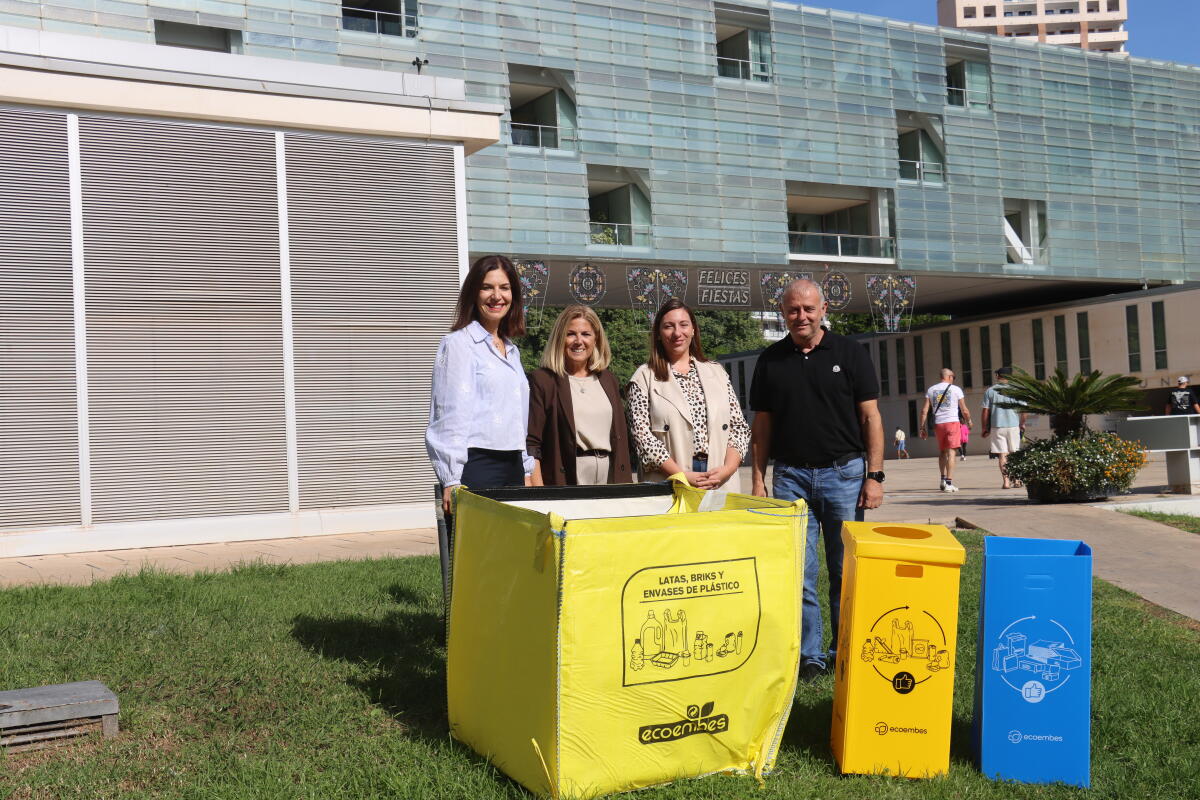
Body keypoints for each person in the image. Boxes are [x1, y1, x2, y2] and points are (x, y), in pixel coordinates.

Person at [749, 279, 884, 682]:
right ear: (783, 312)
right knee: (801, 572)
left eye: (809, 309)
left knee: (845, 570)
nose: (801, 316)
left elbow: (871, 417)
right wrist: (758, 479)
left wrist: (874, 477)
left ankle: (843, 649)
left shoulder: (850, 353)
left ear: (824, 308)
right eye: (793, 310)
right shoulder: (771, 360)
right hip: (790, 477)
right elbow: (762, 426)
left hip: (844, 474)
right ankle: (811, 655)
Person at [426, 254, 534, 515]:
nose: (496, 296)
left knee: (511, 552)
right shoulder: (459, 344)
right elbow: (449, 415)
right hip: (476, 465)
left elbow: (518, 417)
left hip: (513, 465)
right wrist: (451, 478)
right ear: (474, 292)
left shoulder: (512, 351)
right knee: (479, 554)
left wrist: (525, 468)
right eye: (487, 287)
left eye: (504, 288)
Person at [627, 299, 750, 490]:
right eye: (668, 326)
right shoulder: (643, 378)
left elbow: (739, 428)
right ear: (659, 334)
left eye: (684, 325)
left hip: (718, 478)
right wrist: (680, 475)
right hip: (668, 479)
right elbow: (643, 438)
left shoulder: (717, 373)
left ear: (693, 330)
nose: (677, 333)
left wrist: (727, 469)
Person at [527, 305, 633, 486]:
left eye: (586, 334)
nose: (578, 341)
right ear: (559, 339)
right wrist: (538, 492)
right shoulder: (544, 381)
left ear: (596, 339)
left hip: (610, 474)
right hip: (568, 475)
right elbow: (532, 444)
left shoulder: (608, 379)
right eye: (570, 334)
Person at [919, 368, 971, 492]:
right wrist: (968, 421)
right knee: (952, 452)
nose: (954, 379)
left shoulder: (931, 390)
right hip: (952, 422)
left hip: (939, 424)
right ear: (949, 376)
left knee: (942, 452)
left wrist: (922, 427)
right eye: (953, 377)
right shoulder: (956, 389)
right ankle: (949, 483)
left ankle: (942, 479)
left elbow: (924, 410)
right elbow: (964, 410)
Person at [981, 365, 1028, 489]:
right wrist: (1022, 423)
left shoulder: (990, 391)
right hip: (1013, 426)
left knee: (1002, 455)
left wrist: (984, 428)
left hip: (997, 427)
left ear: (998, 376)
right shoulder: (1017, 390)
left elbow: (985, 411)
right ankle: (1017, 480)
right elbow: (1024, 409)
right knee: (1015, 453)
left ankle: (1006, 481)